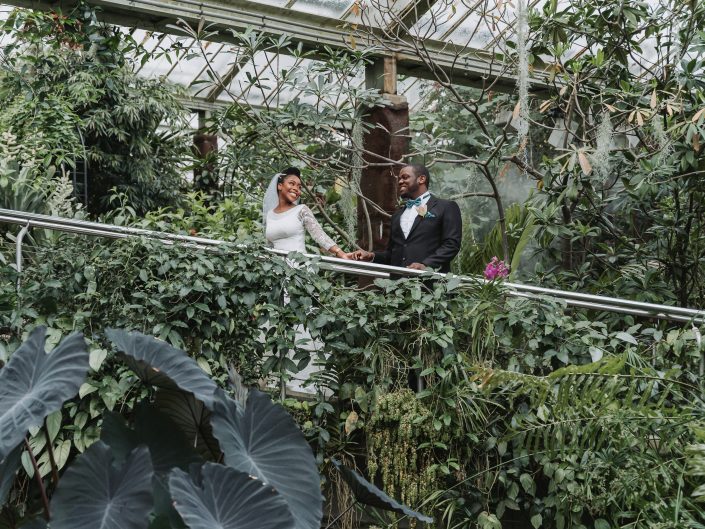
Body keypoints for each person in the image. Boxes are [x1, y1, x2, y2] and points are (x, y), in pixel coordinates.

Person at [350, 164, 462, 272]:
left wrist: (426, 265)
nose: (400, 182)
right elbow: (393, 254)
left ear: (421, 179)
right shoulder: (397, 216)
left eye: (405, 177)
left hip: (431, 284)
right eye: (399, 179)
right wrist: (371, 256)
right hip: (398, 286)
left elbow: (451, 245)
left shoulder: (446, 207)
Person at [264, 167, 350, 258]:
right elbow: (270, 246)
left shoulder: (301, 210)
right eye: (291, 184)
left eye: (299, 187)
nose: (296, 189)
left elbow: (319, 236)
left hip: (298, 266)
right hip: (277, 269)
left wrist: (340, 253)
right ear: (280, 186)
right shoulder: (270, 214)